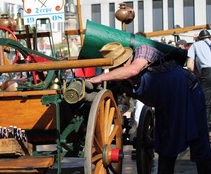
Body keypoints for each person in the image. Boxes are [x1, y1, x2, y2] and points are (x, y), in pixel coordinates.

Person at [89, 42, 211, 174]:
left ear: (129, 58)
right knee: (166, 147)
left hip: (189, 93)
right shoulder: (122, 80)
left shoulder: (144, 50)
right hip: (166, 105)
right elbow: (128, 100)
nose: (118, 69)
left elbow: (133, 70)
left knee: (200, 144)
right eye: (114, 67)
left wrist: (97, 79)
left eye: (120, 64)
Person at [187, 29, 211, 131]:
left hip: (206, 73)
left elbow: (189, 66)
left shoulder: (195, 45)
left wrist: (198, 74)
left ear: (199, 38)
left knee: (206, 103)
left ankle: (206, 129)